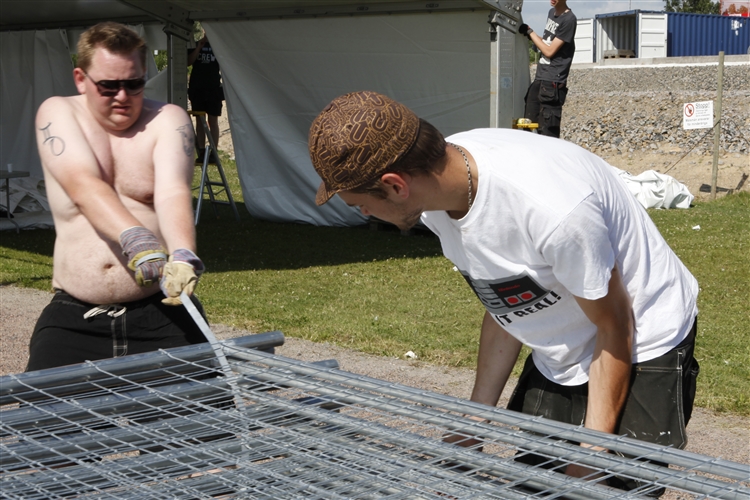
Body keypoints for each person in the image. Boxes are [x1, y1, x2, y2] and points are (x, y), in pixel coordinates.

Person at [308, 91, 699, 492]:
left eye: (359, 204)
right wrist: (474, 422)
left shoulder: (552, 210)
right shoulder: (439, 190)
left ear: (394, 185)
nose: (364, 214)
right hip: (565, 337)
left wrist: (590, 453)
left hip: (641, 335)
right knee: (530, 485)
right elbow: (505, 297)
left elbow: (616, 325)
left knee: (601, 488)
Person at [28, 22, 207, 372]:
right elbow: (82, 184)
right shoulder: (58, 113)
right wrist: (136, 238)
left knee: (206, 426)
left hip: (161, 311)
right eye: (108, 86)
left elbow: (172, 191)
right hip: (75, 315)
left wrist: (184, 253)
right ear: (81, 79)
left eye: (134, 84)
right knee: (42, 424)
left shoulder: (168, 120)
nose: (123, 96)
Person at [519, 0, 576, 138]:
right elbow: (546, 42)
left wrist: (530, 32)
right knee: (527, 127)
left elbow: (549, 51)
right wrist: (531, 35)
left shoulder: (569, 19)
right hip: (540, 78)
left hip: (553, 83)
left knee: (547, 134)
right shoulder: (551, 13)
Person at [188, 30, 223, 164]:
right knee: (200, 121)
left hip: (213, 88)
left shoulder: (218, 46)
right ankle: (202, 151)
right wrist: (199, 47)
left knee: (213, 121)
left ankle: (213, 152)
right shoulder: (196, 44)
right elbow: (188, 61)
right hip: (197, 88)